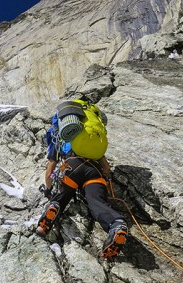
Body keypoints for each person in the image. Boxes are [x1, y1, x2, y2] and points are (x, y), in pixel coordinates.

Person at [36, 101, 128, 260]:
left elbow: (50, 168)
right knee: (96, 202)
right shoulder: (89, 138)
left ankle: (52, 211)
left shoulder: (58, 134)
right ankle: (116, 224)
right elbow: (106, 167)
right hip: (94, 171)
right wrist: (104, 182)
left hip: (72, 167)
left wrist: (49, 190)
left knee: (63, 195)